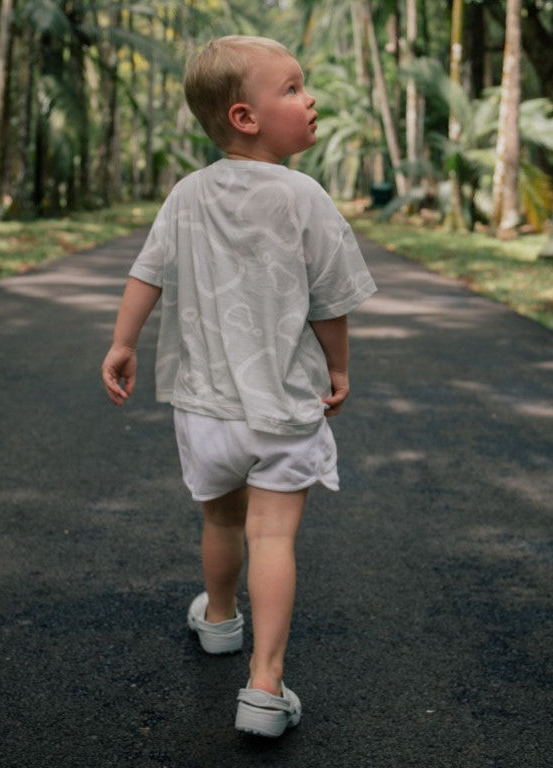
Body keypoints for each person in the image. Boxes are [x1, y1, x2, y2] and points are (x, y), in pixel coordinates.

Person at [101, 35, 376, 738]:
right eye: (292, 88)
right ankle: (264, 686)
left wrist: (123, 343)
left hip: (206, 408)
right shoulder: (304, 197)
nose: (310, 97)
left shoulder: (187, 195)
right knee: (273, 537)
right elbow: (329, 302)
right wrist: (338, 368)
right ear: (245, 116)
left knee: (221, 520)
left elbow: (148, 274)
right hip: (284, 410)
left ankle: (219, 620)